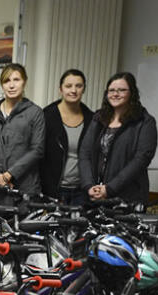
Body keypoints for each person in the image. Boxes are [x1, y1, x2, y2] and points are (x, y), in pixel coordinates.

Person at [79, 71, 158, 206]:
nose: (115, 94)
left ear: (131, 93)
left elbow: (141, 159)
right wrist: (89, 185)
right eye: (111, 90)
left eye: (121, 90)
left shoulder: (144, 121)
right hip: (95, 196)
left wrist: (109, 189)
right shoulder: (99, 118)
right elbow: (85, 154)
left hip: (128, 199)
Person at [0, 63, 44, 204]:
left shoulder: (35, 112)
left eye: (16, 80)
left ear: (24, 82)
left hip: (24, 188)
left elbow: (37, 150)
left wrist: (9, 175)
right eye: (7, 81)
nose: (11, 85)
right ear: (2, 85)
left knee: (20, 226)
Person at [40, 69, 92, 204]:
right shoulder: (46, 116)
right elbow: (38, 154)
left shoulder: (92, 119)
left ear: (84, 89)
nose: (73, 90)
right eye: (68, 86)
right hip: (53, 190)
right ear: (60, 89)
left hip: (82, 191)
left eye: (78, 86)